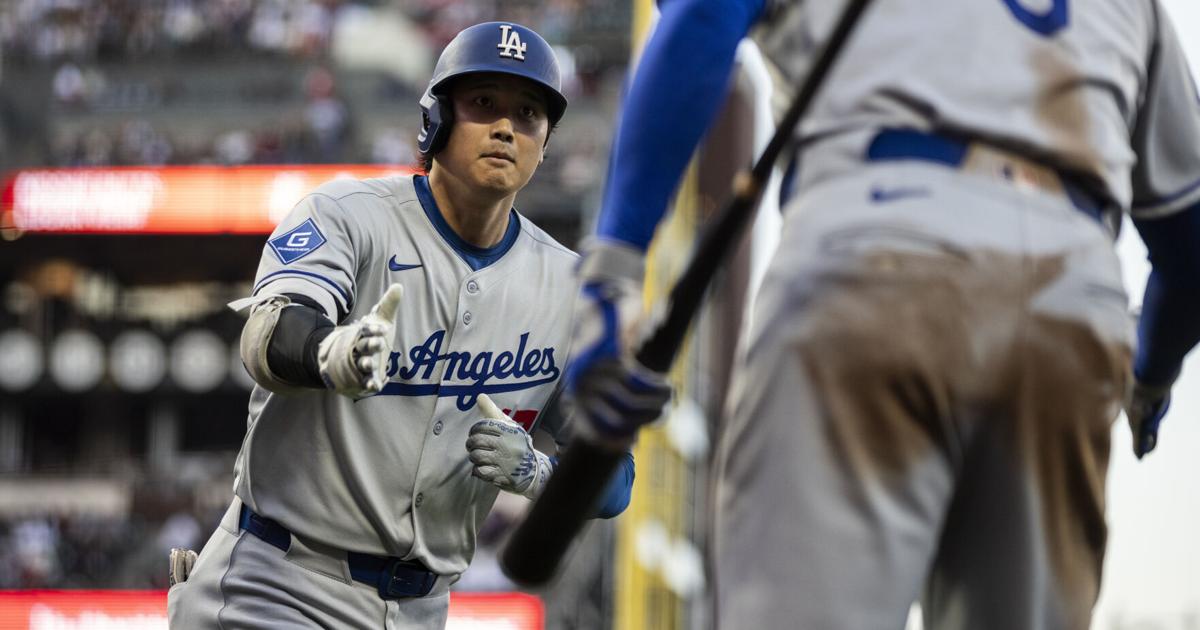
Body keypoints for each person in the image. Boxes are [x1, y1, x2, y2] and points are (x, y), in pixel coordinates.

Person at [565, 0, 1200, 628]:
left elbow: (702, 18)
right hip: (1073, 290)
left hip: (875, 240)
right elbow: (1190, 250)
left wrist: (615, 264)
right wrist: (1148, 378)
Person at [168, 22, 635, 629]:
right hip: (281, 583)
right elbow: (266, 335)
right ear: (435, 120)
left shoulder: (568, 290)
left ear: (545, 143)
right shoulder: (349, 216)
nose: (504, 127)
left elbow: (617, 481)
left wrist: (540, 474)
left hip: (422, 607)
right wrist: (329, 353)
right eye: (483, 104)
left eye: (528, 113)